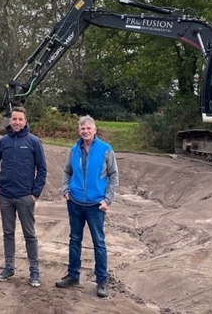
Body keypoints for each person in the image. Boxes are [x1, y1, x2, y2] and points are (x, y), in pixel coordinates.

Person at [55, 115, 118, 298]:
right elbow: (67, 171)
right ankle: (73, 275)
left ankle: (101, 280)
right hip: (75, 203)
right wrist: (66, 190)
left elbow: (113, 176)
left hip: (96, 205)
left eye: (89, 128)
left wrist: (108, 199)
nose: (85, 131)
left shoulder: (106, 150)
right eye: (82, 129)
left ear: (95, 130)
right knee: (74, 240)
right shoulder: (74, 150)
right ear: (79, 131)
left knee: (99, 242)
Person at [0, 106, 47, 287]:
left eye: (20, 119)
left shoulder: (33, 142)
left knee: (30, 234)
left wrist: (35, 194)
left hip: (25, 197)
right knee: (8, 233)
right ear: (10, 121)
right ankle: (9, 268)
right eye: (14, 119)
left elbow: (42, 169)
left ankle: (34, 272)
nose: (17, 122)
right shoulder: (3, 142)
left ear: (25, 121)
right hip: (5, 196)